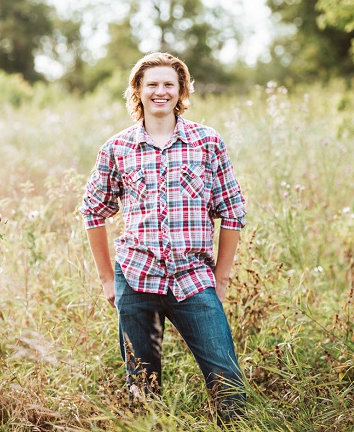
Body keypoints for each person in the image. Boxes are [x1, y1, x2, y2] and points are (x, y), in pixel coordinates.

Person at [81, 52, 247, 421]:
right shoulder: (117, 148)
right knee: (143, 387)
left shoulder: (207, 142)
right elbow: (93, 210)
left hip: (193, 279)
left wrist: (220, 278)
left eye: (168, 84)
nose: (161, 91)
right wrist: (108, 279)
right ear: (137, 90)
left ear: (181, 90)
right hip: (136, 278)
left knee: (229, 384)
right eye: (152, 84)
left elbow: (233, 211)